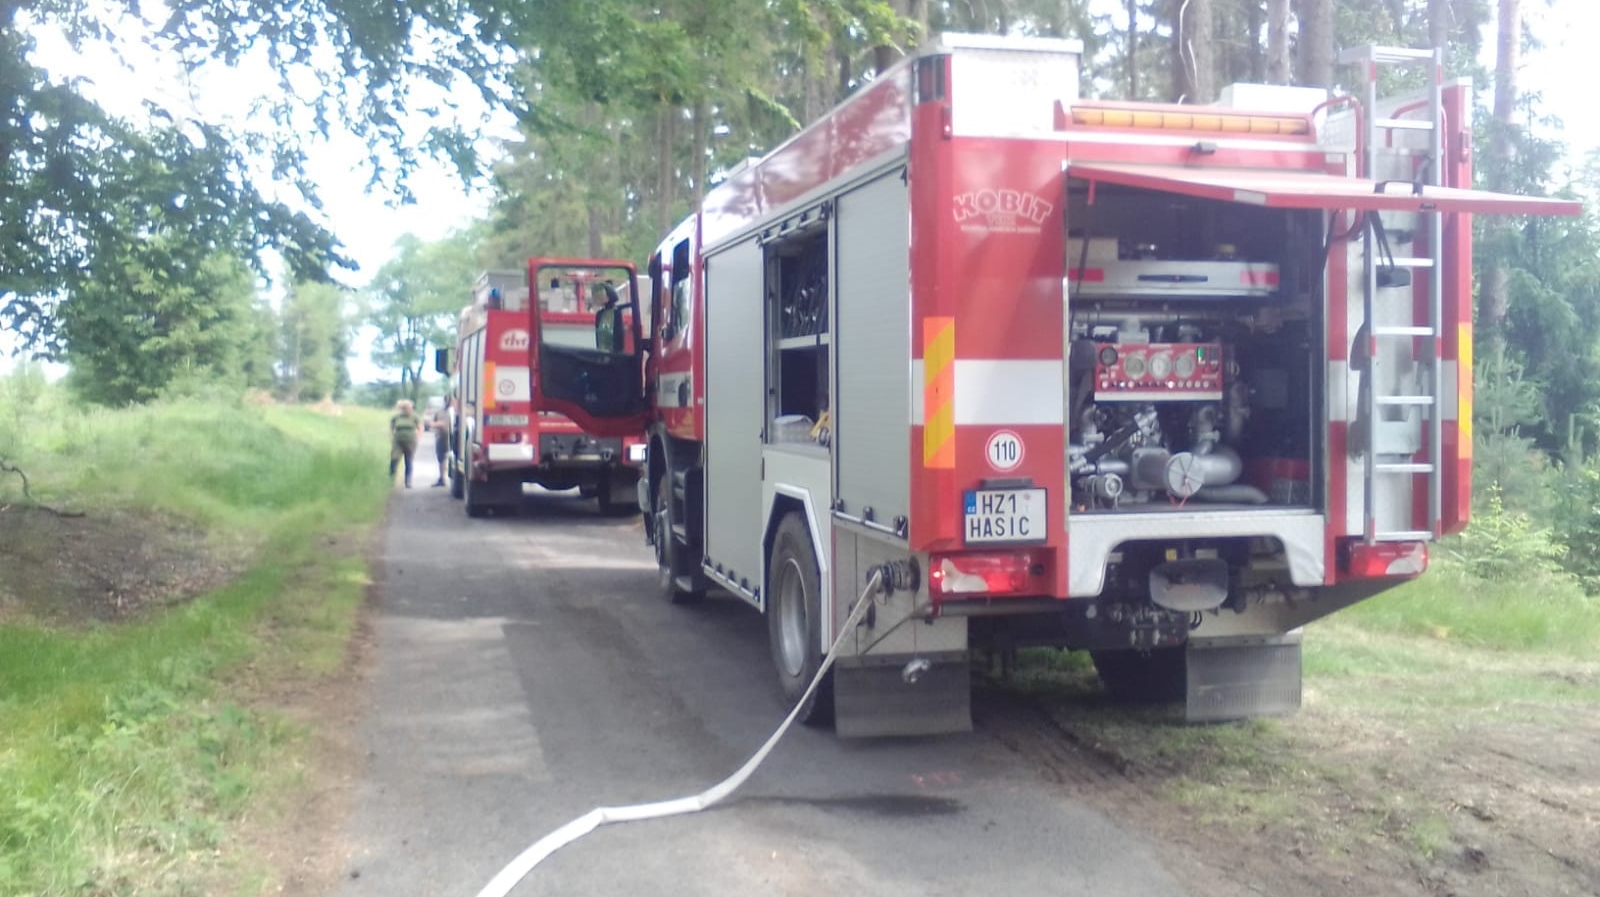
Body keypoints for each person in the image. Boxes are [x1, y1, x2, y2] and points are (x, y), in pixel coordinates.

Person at [389, 399, 422, 488]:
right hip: (398, 442)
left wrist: (418, 437)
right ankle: (391, 478)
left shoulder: (414, 417)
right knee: (394, 459)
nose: (409, 409)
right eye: (407, 408)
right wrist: (392, 436)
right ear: (403, 409)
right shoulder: (396, 417)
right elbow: (391, 427)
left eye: (410, 408)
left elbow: (420, 427)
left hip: (410, 442)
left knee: (408, 461)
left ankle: (408, 481)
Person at [429, 397, 452, 487]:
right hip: (441, 436)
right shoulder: (439, 412)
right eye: (446, 400)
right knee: (441, 458)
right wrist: (438, 424)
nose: (448, 402)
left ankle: (444, 477)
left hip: (451, 436)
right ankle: (442, 478)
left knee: (448, 456)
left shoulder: (455, 411)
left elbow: (445, 424)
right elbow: (431, 423)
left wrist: (440, 424)